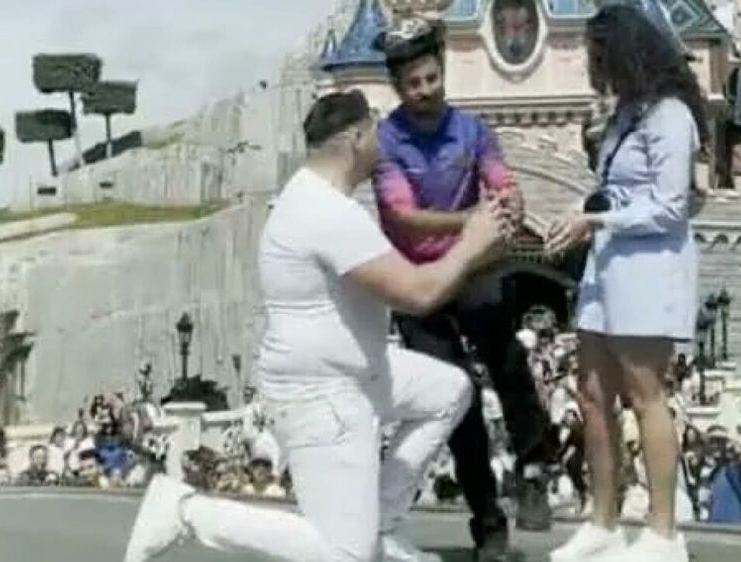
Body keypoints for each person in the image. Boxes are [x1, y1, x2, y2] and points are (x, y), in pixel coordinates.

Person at [123, 90, 509, 562]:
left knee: (449, 390)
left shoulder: (315, 199)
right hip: (321, 392)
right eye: (376, 129)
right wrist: (472, 244)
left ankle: (382, 525)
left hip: (358, 369)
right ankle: (187, 511)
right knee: (346, 556)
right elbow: (418, 293)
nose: (384, 140)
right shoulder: (326, 213)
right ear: (356, 138)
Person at [371, 16, 555, 559]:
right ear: (397, 87)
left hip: (473, 270)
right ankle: (488, 520)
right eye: (413, 83)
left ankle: (534, 467)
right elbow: (403, 217)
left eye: (431, 78)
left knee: (509, 360)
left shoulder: (473, 131)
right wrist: (472, 223)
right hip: (419, 282)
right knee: (458, 398)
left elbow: (500, 181)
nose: (424, 90)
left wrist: (510, 201)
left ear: (442, 73)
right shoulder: (385, 143)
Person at [543, 4, 706, 560]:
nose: (594, 66)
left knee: (644, 394)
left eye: (599, 54)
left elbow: (669, 206)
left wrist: (596, 221)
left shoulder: (670, 116)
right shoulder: (625, 115)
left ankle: (663, 532)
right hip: (607, 265)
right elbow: (617, 189)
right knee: (591, 393)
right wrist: (584, 209)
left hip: (648, 267)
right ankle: (603, 521)